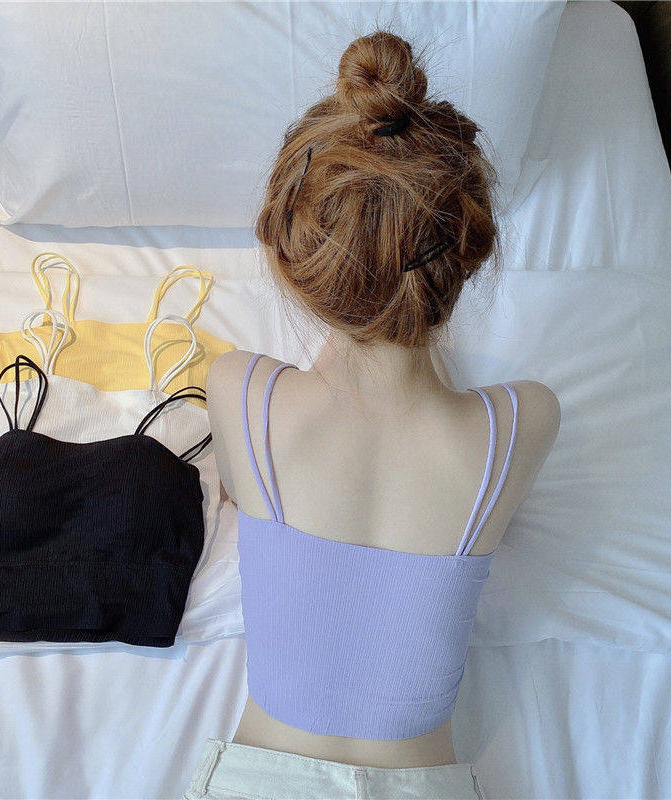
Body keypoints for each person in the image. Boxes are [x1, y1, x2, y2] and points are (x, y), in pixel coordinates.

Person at [183, 29, 560, 800]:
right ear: (466, 252)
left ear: (295, 261)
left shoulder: (242, 394)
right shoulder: (521, 423)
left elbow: (240, 491)